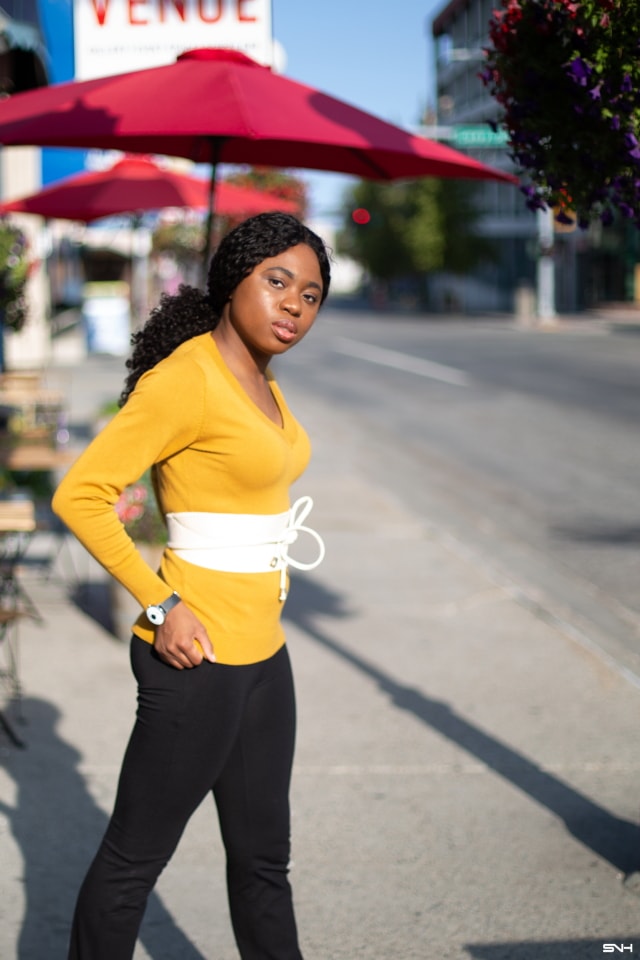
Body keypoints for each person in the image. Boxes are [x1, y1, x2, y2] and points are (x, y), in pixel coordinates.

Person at [52, 211, 332, 960]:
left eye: (310, 295)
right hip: (196, 655)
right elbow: (80, 494)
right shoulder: (185, 379)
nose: (293, 306)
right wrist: (160, 603)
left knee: (264, 860)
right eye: (277, 282)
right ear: (231, 280)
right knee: (133, 863)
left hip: (264, 653)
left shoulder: (261, 379)